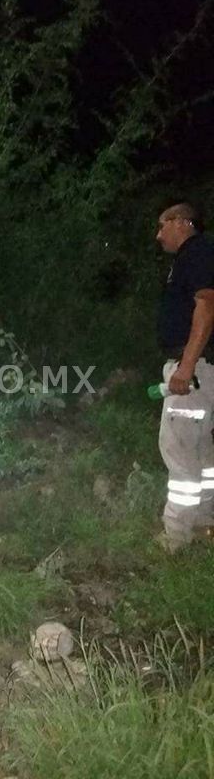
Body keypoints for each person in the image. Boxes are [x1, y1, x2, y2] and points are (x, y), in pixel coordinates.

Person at [155, 202, 214, 552]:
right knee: (201, 449)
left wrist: (186, 366)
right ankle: (205, 521)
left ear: (180, 222)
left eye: (162, 225)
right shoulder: (198, 255)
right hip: (204, 369)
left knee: (178, 447)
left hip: (193, 368)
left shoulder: (196, 253)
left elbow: (206, 307)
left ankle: (175, 535)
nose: (158, 234)